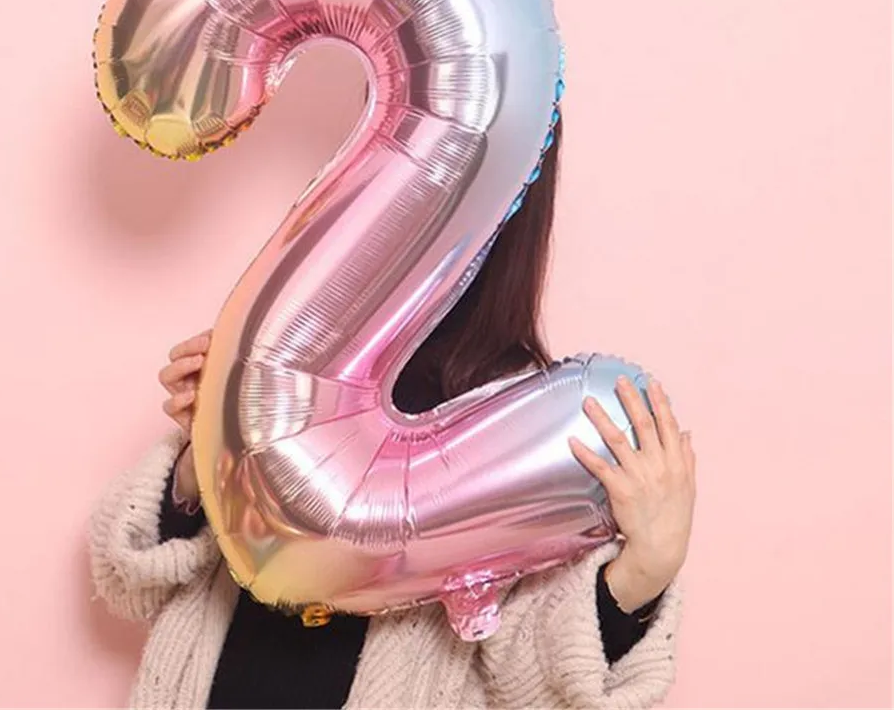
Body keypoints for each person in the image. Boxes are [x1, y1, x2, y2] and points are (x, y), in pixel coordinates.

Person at [89, 119, 696, 709]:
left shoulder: (535, 423)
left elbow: (535, 687)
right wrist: (201, 459)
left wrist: (643, 573)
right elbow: (128, 584)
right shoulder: (286, 347)